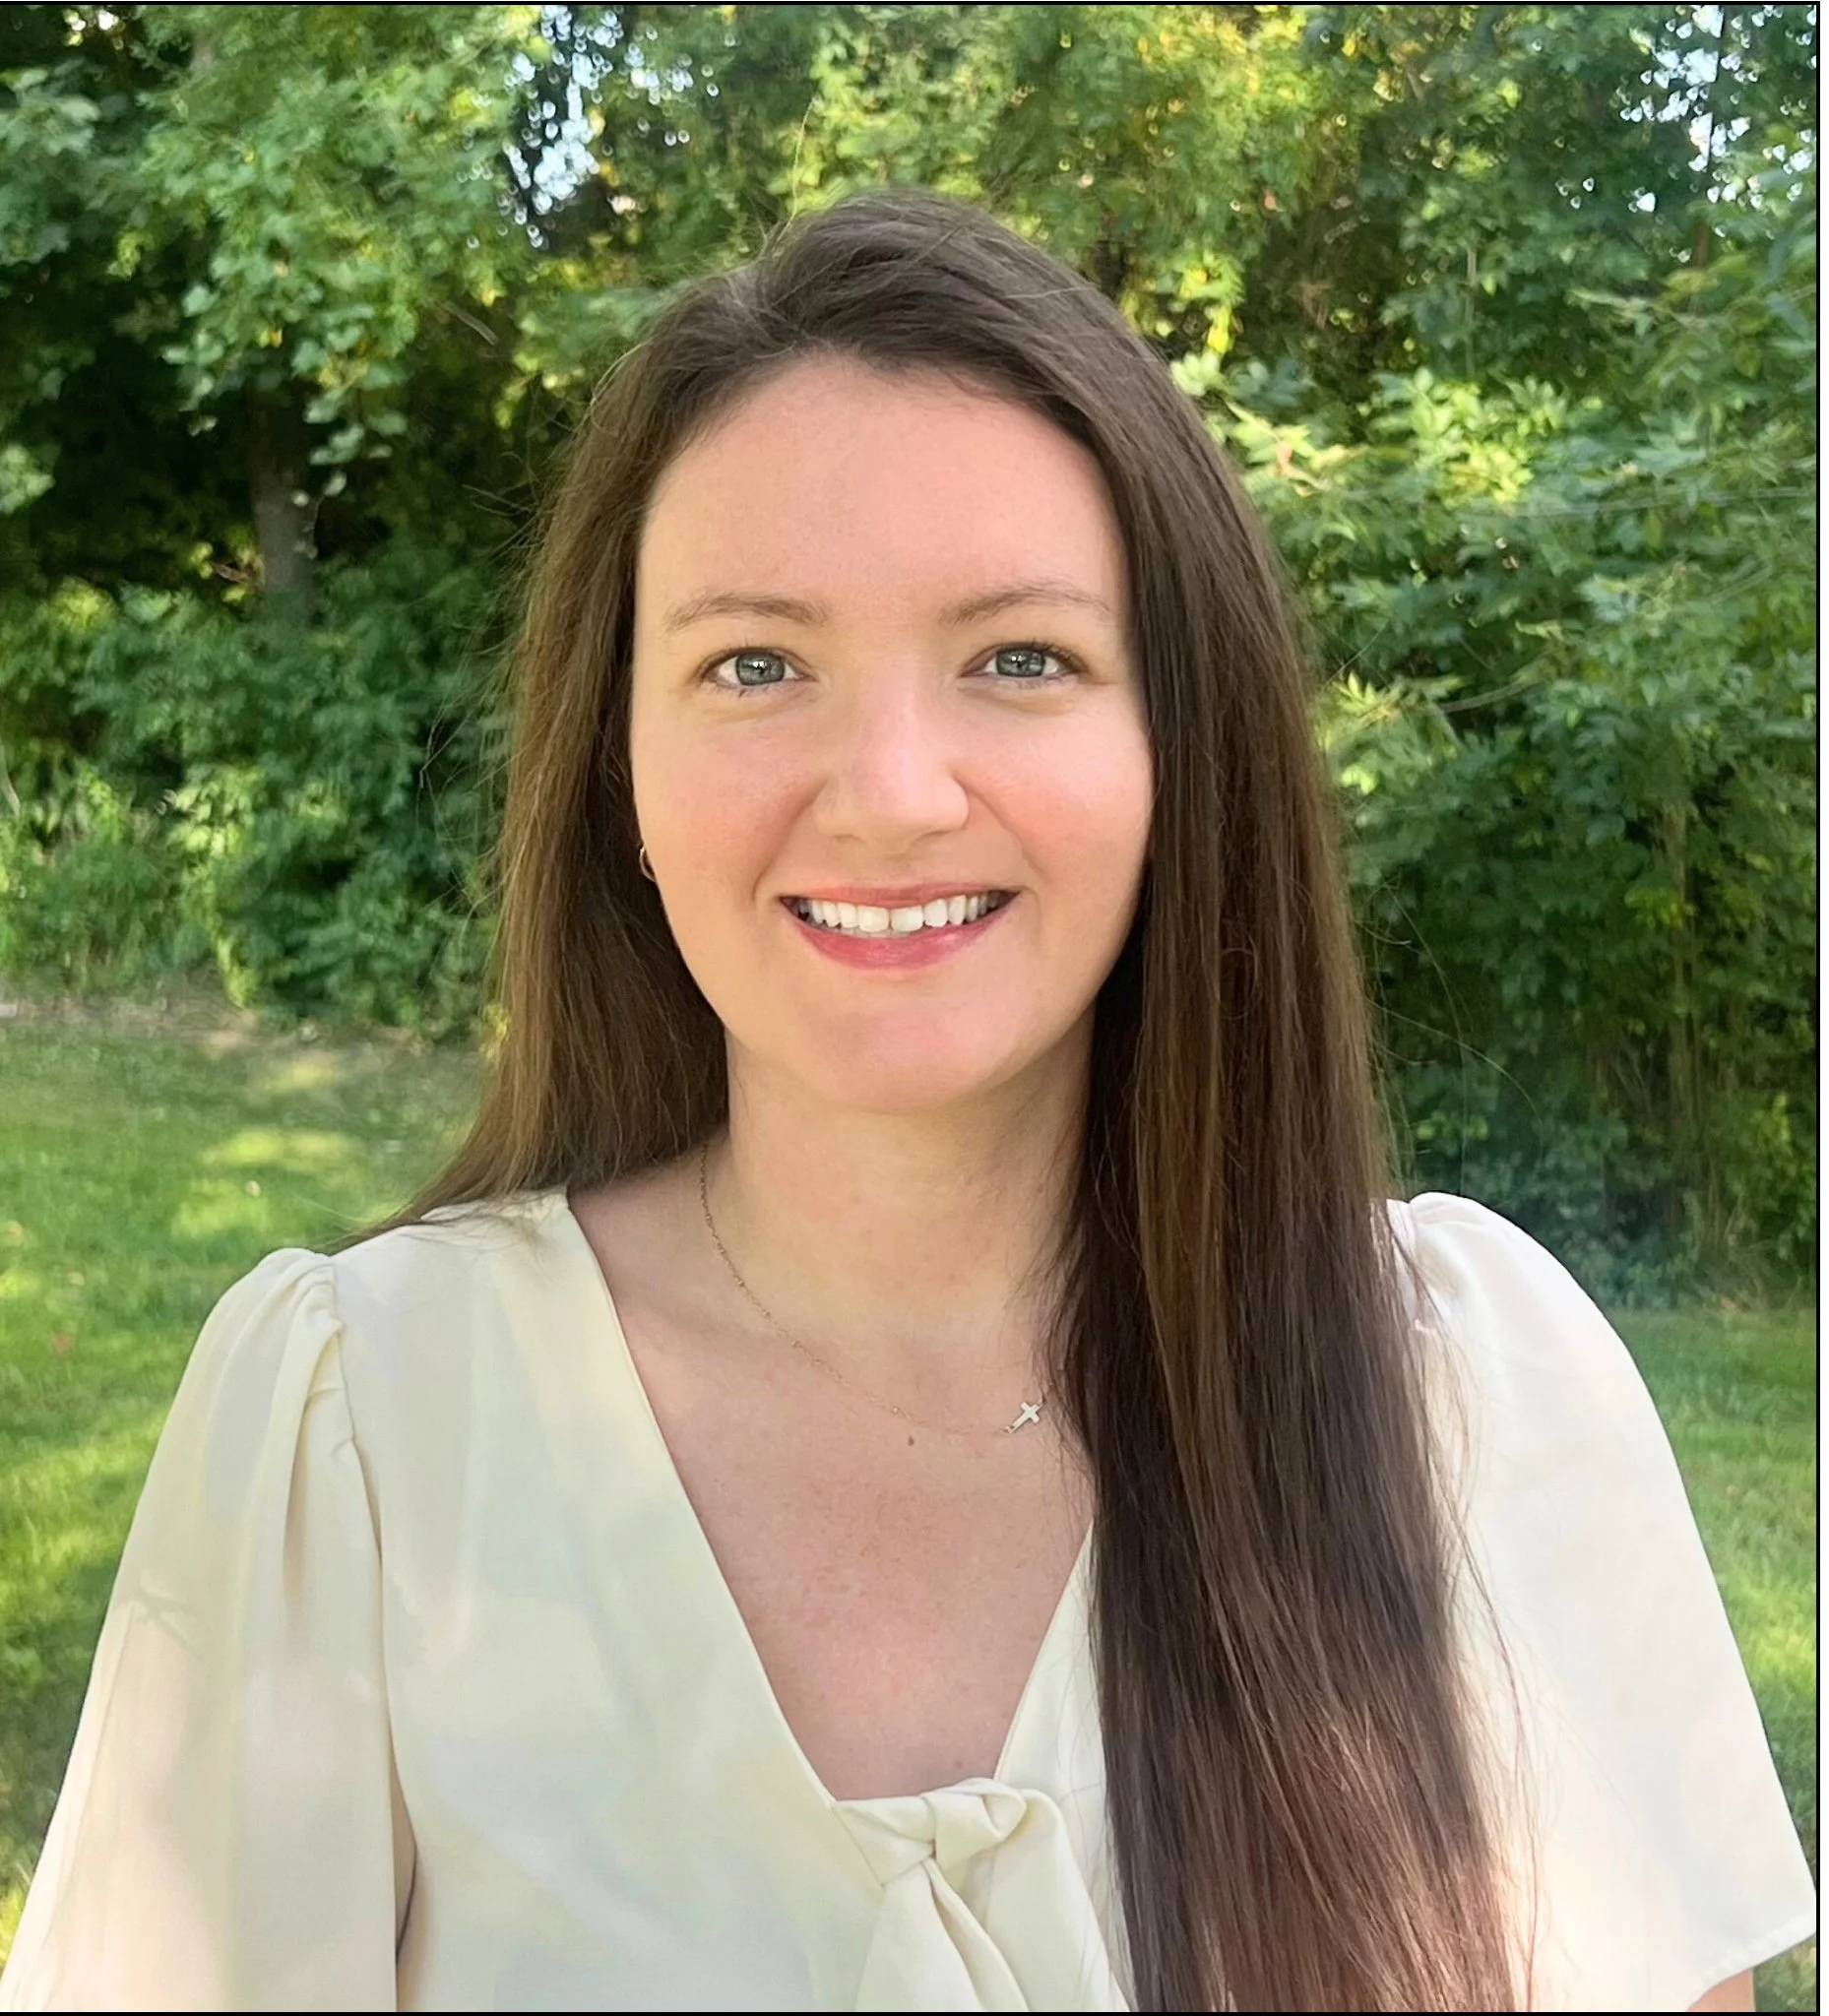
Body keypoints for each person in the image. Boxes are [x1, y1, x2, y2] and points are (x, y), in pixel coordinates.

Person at [0, 188, 1811, 2015]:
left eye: (1019, 657)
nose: (886, 793)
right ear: (615, 757)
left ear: (1179, 746)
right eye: (753, 663)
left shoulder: (1468, 1397)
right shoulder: (363, 1437)